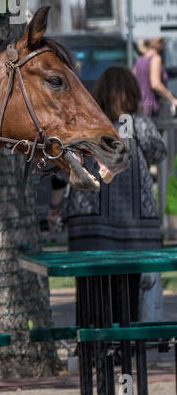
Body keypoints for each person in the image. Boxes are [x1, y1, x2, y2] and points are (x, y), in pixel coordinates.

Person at [50, 66, 166, 321]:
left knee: (91, 287)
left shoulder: (84, 124)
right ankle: (125, 346)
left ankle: (93, 345)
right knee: (128, 288)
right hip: (135, 227)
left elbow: (62, 170)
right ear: (132, 93)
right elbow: (159, 152)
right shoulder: (141, 125)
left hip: (89, 225)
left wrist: (55, 209)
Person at [133, 37, 176, 117]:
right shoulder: (156, 58)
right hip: (152, 108)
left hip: (139, 107)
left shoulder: (139, 60)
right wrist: (172, 99)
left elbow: (133, 81)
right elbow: (155, 84)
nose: (164, 40)